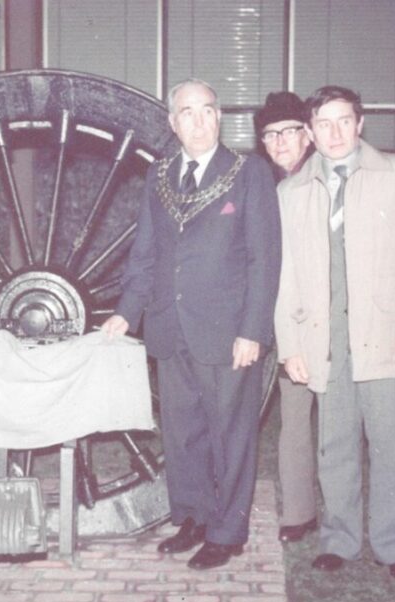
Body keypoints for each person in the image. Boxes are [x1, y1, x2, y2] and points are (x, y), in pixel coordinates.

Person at [102, 79, 281, 570]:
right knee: (182, 434)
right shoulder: (159, 175)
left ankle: (227, 532)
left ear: (219, 117)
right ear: (172, 122)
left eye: (207, 111)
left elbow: (265, 261)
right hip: (168, 326)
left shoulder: (249, 174)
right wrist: (126, 311)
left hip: (227, 333)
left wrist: (254, 330)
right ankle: (194, 518)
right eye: (188, 112)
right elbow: (145, 254)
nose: (199, 121)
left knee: (231, 434)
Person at [274, 86, 395, 581]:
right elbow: (288, 274)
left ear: (360, 124)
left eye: (344, 121)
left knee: (388, 445)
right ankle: (339, 540)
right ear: (310, 132)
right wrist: (291, 346)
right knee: (333, 444)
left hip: (384, 335)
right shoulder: (291, 191)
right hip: (326, 340)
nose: (335, 133)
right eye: (323, 124)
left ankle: (394, 546)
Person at [254, 91, 319, 544]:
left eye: (288, 132)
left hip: (313, 322)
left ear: (307, 134)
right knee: (274, 416)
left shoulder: (323, 179)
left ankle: (315, 512)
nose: (279, 142)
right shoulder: (267, 184)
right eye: (270, 135)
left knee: (315, 422)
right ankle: (291, 510)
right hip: (275, 322)